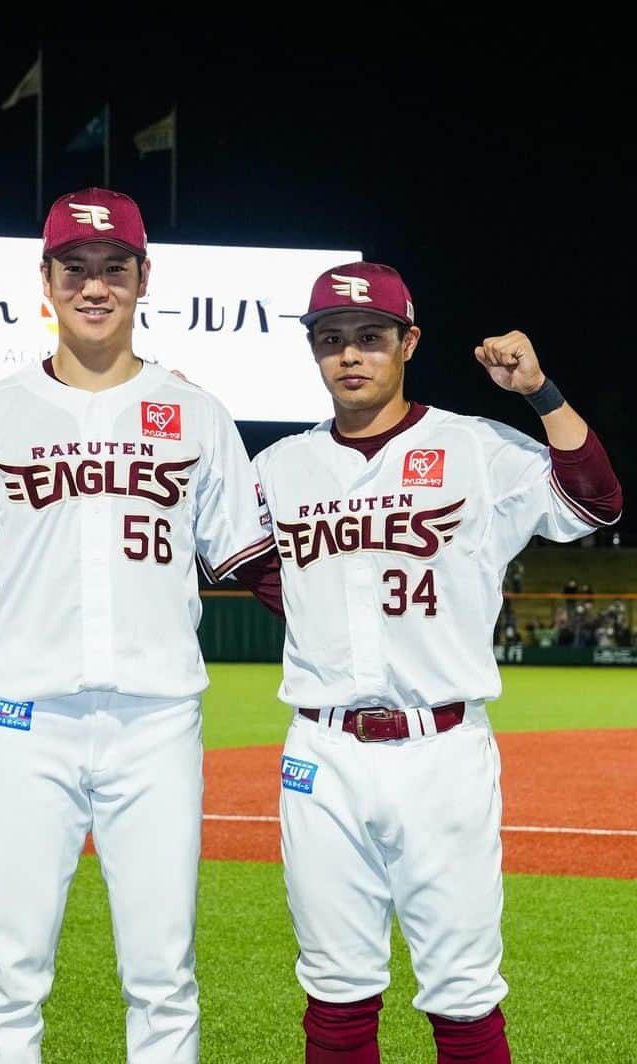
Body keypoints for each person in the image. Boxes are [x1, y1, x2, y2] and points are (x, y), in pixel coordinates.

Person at [0, 186, 276, 1064]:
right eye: (74, 268)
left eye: (113, 268)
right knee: (10, 966)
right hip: (23, 723)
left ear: (143, 277)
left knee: (162, 972)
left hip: (157, 723)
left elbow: (256, 564)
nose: (94, 285)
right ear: (43, 280)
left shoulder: (197, 412)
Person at [248, 261, 622, 1062]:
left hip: (442, 748)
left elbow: (596, 501)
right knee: (335, 989)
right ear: (314, 352)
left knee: (462, 992)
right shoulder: (280, 466)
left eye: (371, 338)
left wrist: (540, 391)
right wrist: (330, 623)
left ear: (408, 342)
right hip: (322, 753)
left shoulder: (472, 445)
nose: (351, 355)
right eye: (331, 340)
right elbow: (242, 560)